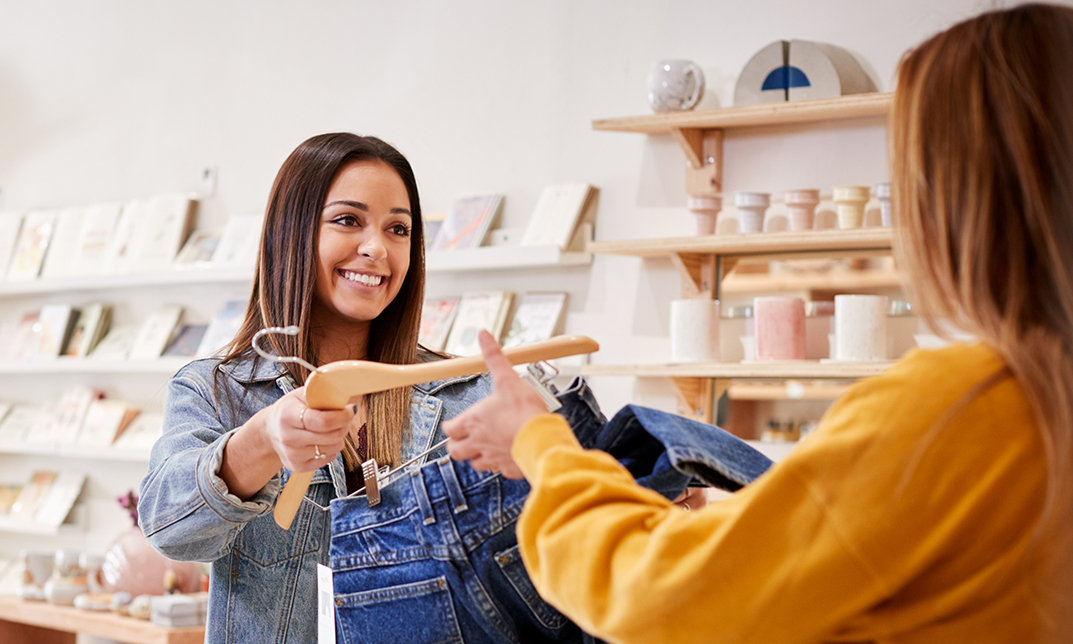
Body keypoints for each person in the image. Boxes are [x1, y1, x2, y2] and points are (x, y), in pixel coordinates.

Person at [443, 5, 1073, 642]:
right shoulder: (1041, 400)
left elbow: (662, 597)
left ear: (955, 196)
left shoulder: (962, 407)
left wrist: (540, 442)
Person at [137, 133, 492, 644]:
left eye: (398, 229)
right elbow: (169, 528)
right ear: (292, 233)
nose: (376, 248)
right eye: (348, 220)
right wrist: (259, 441)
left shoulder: (461, 391)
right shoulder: (218, 390)